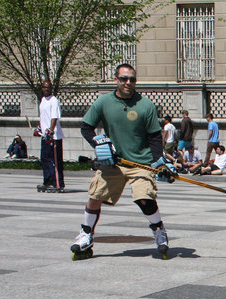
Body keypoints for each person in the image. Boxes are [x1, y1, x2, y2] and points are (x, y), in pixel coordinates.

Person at [70, 63, 176, 260]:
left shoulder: (145, 105)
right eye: (124, 79)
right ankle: (86, 235)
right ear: (116, 80)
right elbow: (86, 127)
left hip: (140, 162)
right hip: (114, 162)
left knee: (144, 198)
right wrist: (98, 142)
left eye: (132, 79)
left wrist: (158, 161)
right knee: (95, 196)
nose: (128, 83)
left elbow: (154, 136)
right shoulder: (103, 103)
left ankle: (159, 231)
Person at [37, 80, 65, 192]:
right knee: (45, 159)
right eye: (44, 87)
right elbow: (44, 117)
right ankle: (47, 181)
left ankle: (58, 184)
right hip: (45, 135)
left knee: (55, 161)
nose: (46, 89)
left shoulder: (54, 100)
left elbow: (54, 117)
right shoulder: (43, 100)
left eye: (48, 87)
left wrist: (50, 130)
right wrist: (40, 127)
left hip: (54, 136)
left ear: (51, 89)